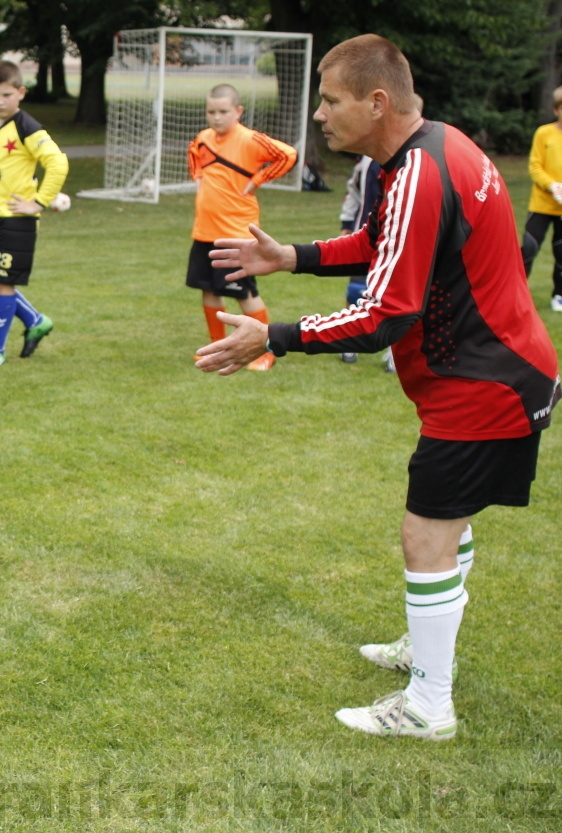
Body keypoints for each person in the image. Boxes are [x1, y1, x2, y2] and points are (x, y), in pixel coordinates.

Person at [197, 34, 560, 740]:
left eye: (330, 101)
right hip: (502, 370)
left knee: (425, 534)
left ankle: (428, 705)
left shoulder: (420, 170)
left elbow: (384, 316)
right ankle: (426, 652)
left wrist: (272, 336)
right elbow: (382, 241)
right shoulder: (428, 150)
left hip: (486, 384)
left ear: (376, 102)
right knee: (447, 524)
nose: (319, 116)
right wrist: (293, 256)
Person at [187, 84, 297, 371]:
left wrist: (258, 180)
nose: (216, 117)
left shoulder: (250, 140)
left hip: (235, 234)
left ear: (238, 111)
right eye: (211, 111)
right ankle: (216, 347)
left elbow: (288, 155)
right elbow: (194, 153)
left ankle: (266, 350)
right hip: (204, 231)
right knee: (209, 290)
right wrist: (198, 177)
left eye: (223, 111)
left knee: (244, 293)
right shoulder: (203, 138)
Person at [0, 59, 68, 369]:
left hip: (15, 220)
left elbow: (58, 163)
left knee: (3, 283)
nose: (0, 102)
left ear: (21, 93)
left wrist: (38, 202)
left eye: (7, 95)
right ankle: (35, 319)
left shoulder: (27, 128)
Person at [336, 154, 381, 364]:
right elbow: (353, 189)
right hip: (365, 236)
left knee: (400, 294)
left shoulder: (415, 157)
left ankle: (396, 352)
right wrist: (347, 221)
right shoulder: (367, 160)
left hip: (402, 238)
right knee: (356, 290)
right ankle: (350, 341)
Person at [522, 84, 562, 313]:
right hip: (541, 205)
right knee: (529, 248)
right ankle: (516, 292)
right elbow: (535, 166)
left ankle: (559, 295)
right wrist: (552, 185)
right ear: (556, 110)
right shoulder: (543, 133)